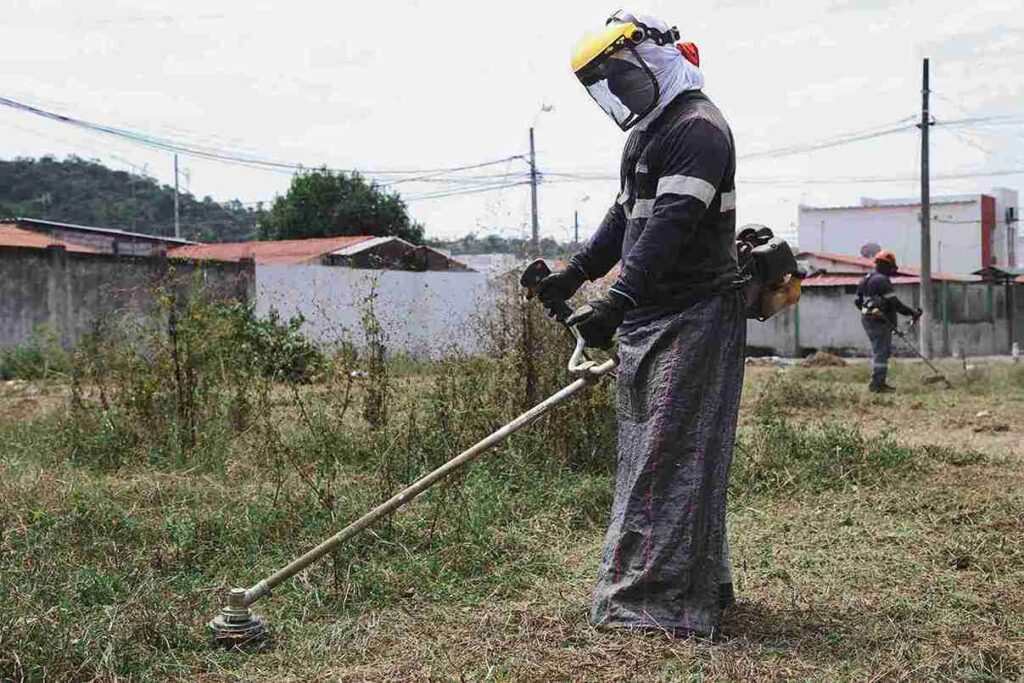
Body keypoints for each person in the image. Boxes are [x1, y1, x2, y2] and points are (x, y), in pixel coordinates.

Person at [537, 10, 744, 639]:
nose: (620, 92)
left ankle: (653, 606)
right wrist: (574, 275)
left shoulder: (700, 130)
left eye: (622, 75)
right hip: (652, 314)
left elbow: (670, 229)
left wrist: (615, 299)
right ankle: (694, 586)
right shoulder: (650, 134)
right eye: (608, 84)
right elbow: (627, 219)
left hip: (695, 313)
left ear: (657, 57)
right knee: (655, 456)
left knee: (669, 457)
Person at [855, 250, 922, 392]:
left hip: (868, 320)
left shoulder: (865, 279)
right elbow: (894, 303)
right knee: (881, 352)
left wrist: (870, 311)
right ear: (885, 265)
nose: (892, 271)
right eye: (891, 267)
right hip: (879, 322)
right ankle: (877, 384)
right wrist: (912, 313)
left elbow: (858, 302)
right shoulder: (881, 280)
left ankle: (878, 382)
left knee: (879, 350)